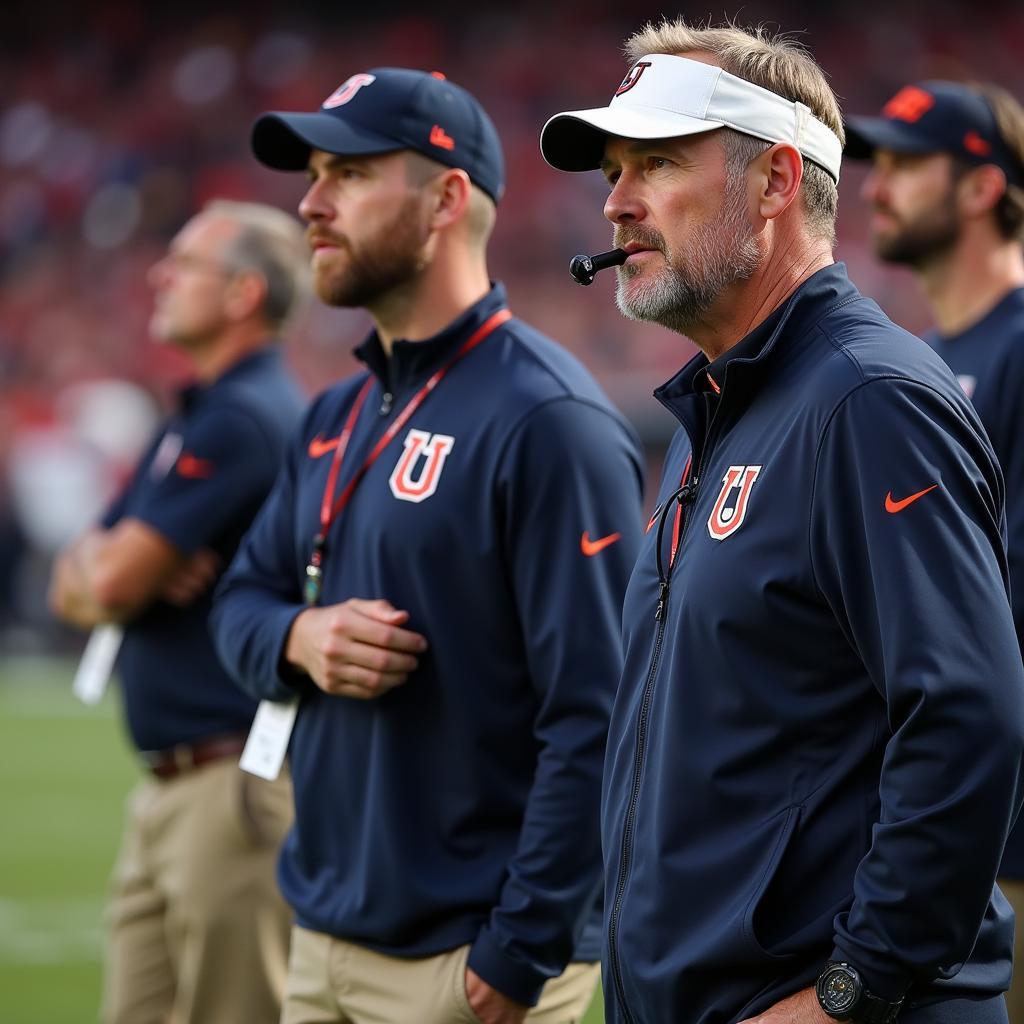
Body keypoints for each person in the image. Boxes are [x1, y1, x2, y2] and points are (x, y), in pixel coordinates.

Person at [540, 18, 1024, 1024]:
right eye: (612, 169)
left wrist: (853, 988)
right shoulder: (717, 406)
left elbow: (966, 716)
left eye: (657, 162)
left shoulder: (868, 399)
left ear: (772, 182)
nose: (615, 200)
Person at [209, 67, 644, 1024]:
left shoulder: (548, 420)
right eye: (313, 175)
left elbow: (601, 716)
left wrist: (520, 954)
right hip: (320, 941)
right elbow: (237, 607)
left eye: (350, 175)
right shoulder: (338, 412)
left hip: (465, 968)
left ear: (449, 198)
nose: (312, 205)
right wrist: (300, 639)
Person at [48, 199, 308, 1024]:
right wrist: (115, 563)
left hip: (227, 783)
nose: (159, 276)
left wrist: (116, 565)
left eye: (185, 263)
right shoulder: (203, 410)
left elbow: (111, 582)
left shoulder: (241, 416)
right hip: (177, 782)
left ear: (241, 293)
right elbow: (76, 579)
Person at [847, 78, 1024, 1022]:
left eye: (909, 165)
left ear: (982, 188)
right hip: (957, 828)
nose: (876, 187)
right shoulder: (916, 353)